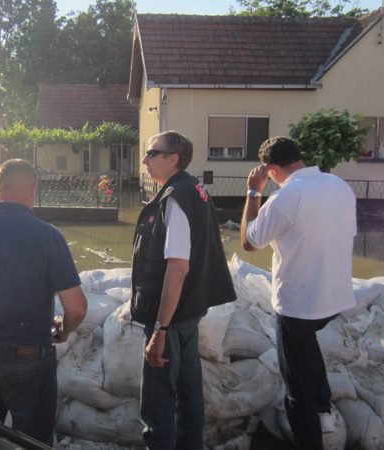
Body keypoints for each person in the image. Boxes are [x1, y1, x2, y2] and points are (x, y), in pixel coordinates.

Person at [0, 158, 87, 446]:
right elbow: (77, 308)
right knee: (33, 439)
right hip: (28, 358)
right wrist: (62, 330)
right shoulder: (47, 236)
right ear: (32, 190)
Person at [240, 136, 357, 450]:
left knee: (296, 389)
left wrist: (254, 192)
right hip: (334, 297)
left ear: (272, 169)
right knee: (308, 345)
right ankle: (323, 402)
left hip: (298, 304)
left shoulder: (287, 196)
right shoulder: (338, 185)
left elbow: (250, 241)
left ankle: (311, 431)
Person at [131, 130, 236, 450]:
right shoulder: (195, 190)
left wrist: (160, 329)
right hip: (190, 312)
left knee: (157, 405)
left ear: (172, 159)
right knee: (190, 397)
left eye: (152, 153)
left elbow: (177, 267)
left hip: (171, 319)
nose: (145, 160)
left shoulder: (175, 198)